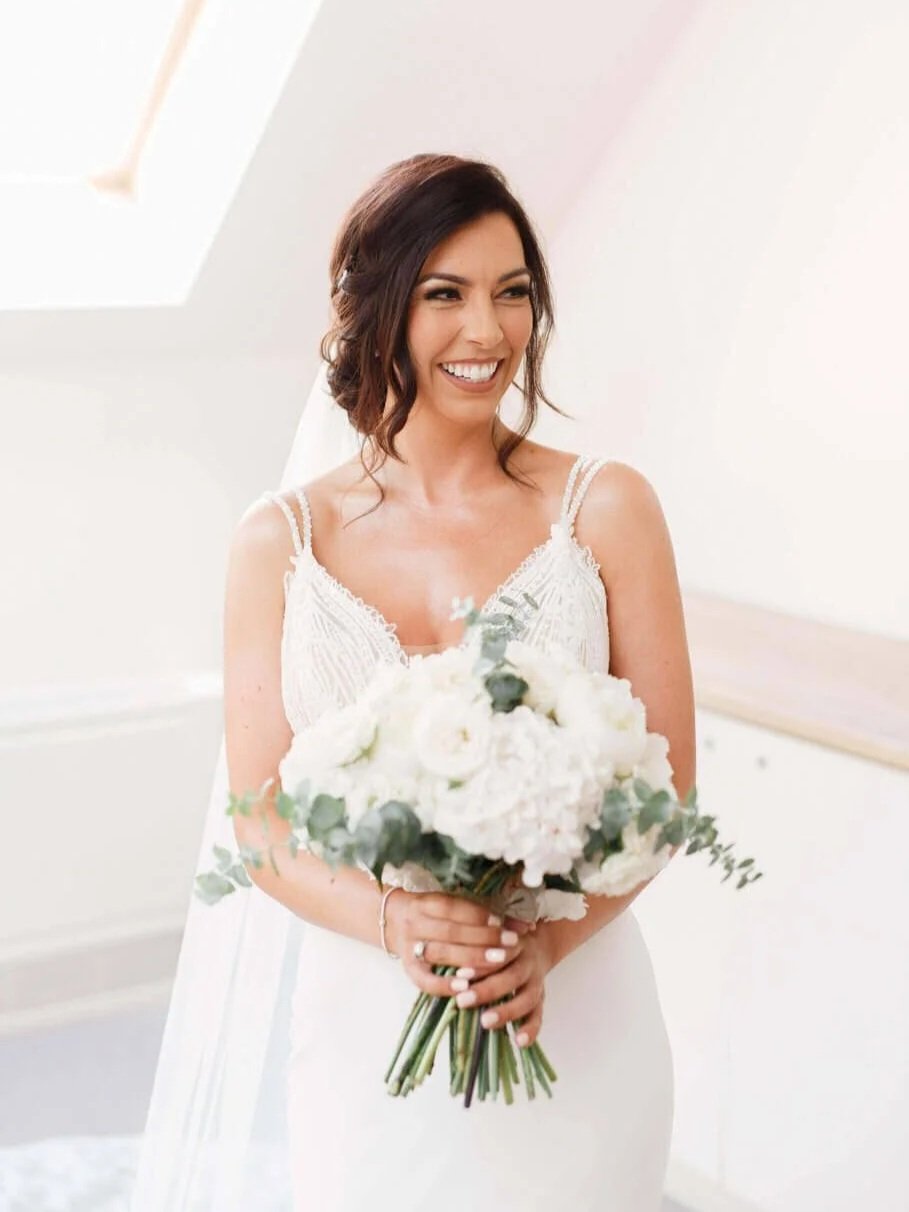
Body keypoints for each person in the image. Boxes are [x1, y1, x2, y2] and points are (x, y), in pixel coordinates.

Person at [130, 153, 695, 1211]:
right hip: (368, 1026)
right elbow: (261, 819)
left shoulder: (608, 508)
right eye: (445, 293)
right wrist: (395, 922)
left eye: (512, 292)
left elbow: (666, 794)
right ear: (377, 309)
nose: (487, 330)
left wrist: (547, 946)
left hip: (580, 1017)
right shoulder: (279, 543)